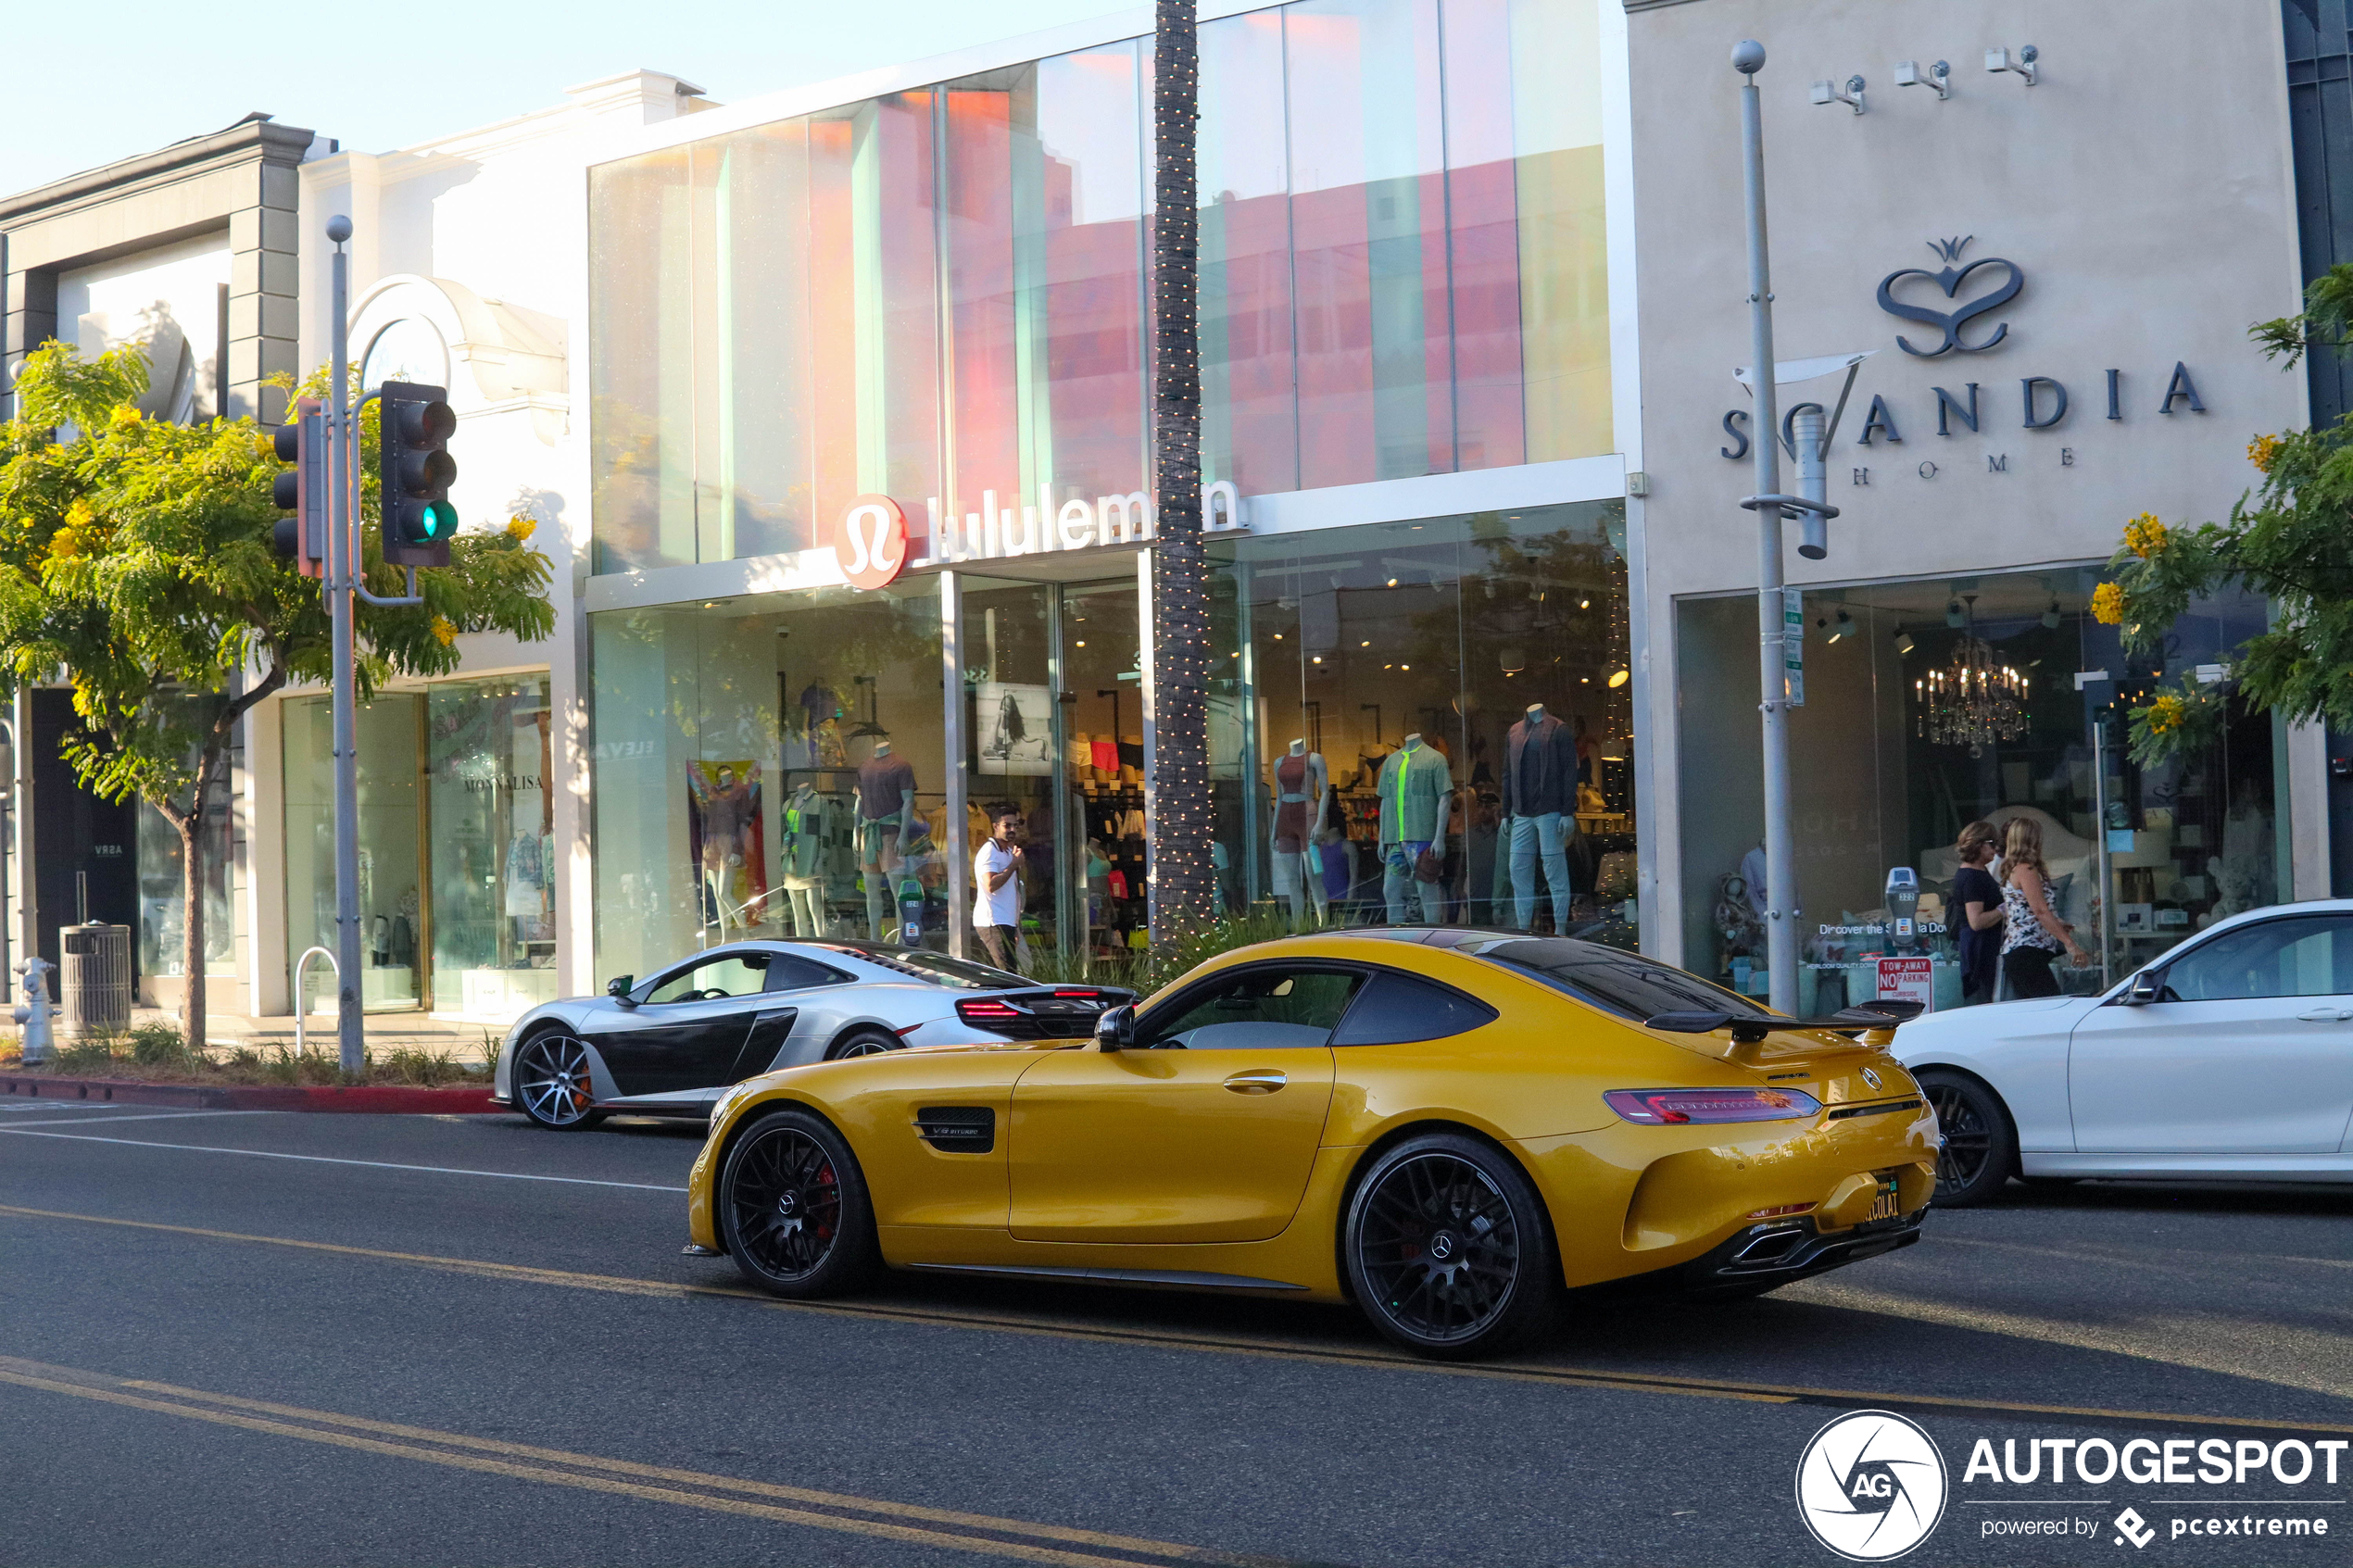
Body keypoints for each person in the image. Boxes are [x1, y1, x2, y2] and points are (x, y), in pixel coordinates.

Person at [1997, 816, 2087, 997]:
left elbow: (2027, 909)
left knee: (2041, 1009)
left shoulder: (2016, 868)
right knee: (2049, 1006)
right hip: (2026, 951)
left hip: (2024, 951)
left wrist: (2057, 923)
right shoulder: (2025, 869)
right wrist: (2070, 944)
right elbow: (2040, 911)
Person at [1950, 820, 2005, 1005]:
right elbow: (1976, 921)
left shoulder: (1979, 872)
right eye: (1991, 844)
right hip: (1979, 950)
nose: (1995, 849)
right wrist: (2004, 909)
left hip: (1985, 947)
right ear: (1979, 845)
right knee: (1981, 1001)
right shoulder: (1972, 877)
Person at [973, 808, 1025, 974]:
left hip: (1006, 921)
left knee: (1000, 975)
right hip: (993, 921)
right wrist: (1013, 865)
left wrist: (1015, 925)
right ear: (995, 826)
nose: (1012, 830)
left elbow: (1013, 892)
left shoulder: (1008, 851)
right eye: (1007, 825)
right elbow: (991, 885)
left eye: (1015, 825)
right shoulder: (990, 851)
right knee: (1007, 975)